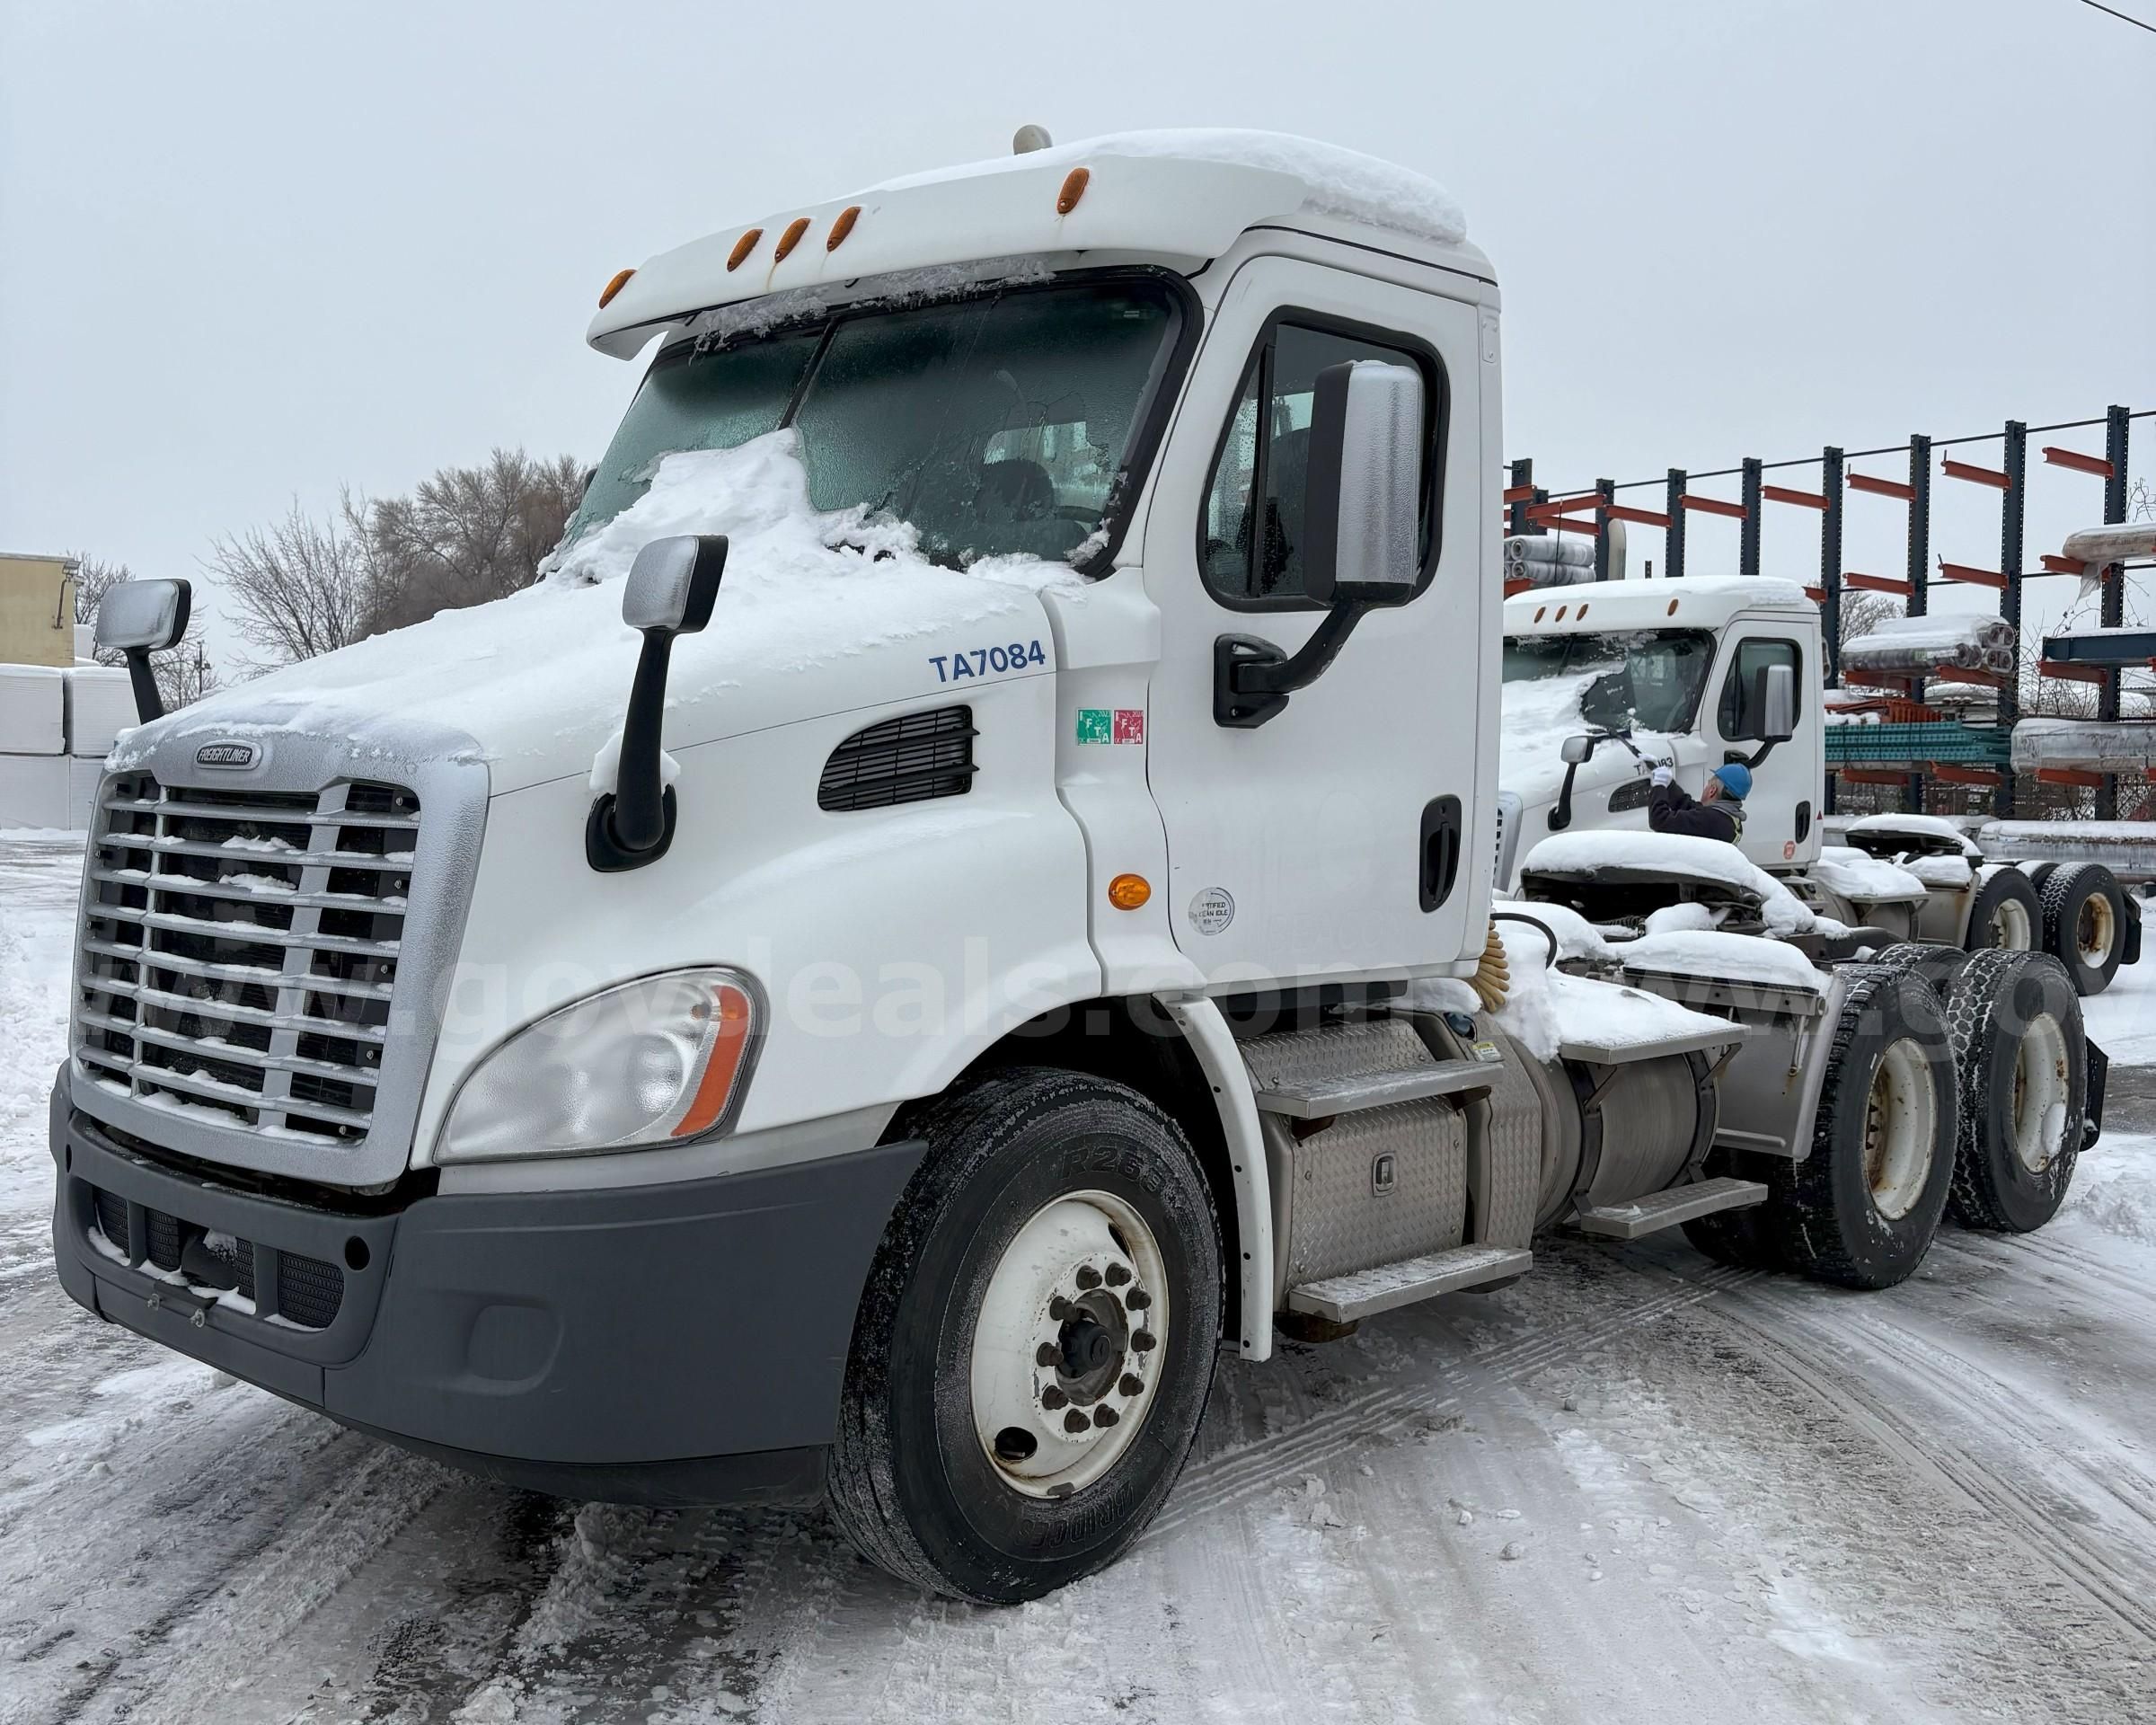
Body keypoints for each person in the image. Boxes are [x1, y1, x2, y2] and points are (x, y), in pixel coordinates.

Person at [1648, 761, 1750, 844]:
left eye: (1708, 784)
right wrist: (1669, 783)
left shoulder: (1710, 820)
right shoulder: (1730, 820)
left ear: (1712, 790)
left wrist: (1659, 786)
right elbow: (1690, 808)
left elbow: (1660, 820)